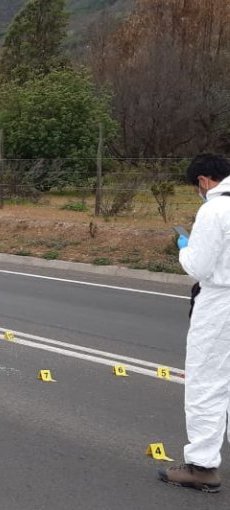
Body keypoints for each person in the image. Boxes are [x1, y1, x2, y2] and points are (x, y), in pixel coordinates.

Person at [160, 153, 230, 493]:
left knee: (206, 382)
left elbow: (199, 267)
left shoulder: (214, 210)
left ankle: (202, 467)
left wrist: (184, 246)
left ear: (204, 181)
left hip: (221, 302)